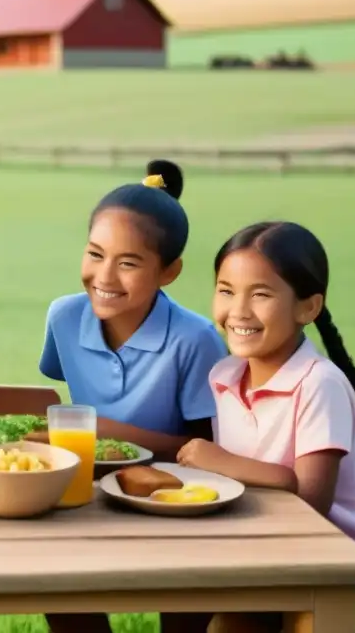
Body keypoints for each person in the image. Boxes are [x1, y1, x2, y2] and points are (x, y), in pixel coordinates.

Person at [177, 222, 355, 633]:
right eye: (226, 290)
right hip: (265, 560)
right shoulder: (224, 376)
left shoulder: (319, 384)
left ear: (308, 308)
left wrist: (222, 461)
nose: (239, 310)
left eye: (260, 294)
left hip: (337, 572)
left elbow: (313, 500)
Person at [37, 161, 227, 633]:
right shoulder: (64, 318)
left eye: (128, 263)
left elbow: (204, 450)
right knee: (49, 570)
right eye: (95, 254)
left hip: (175, 502)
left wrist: (102, 430)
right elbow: (72, 395)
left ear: (169, 271)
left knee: (185, 598)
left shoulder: (195, 340)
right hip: (89, 493)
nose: (105, 276)